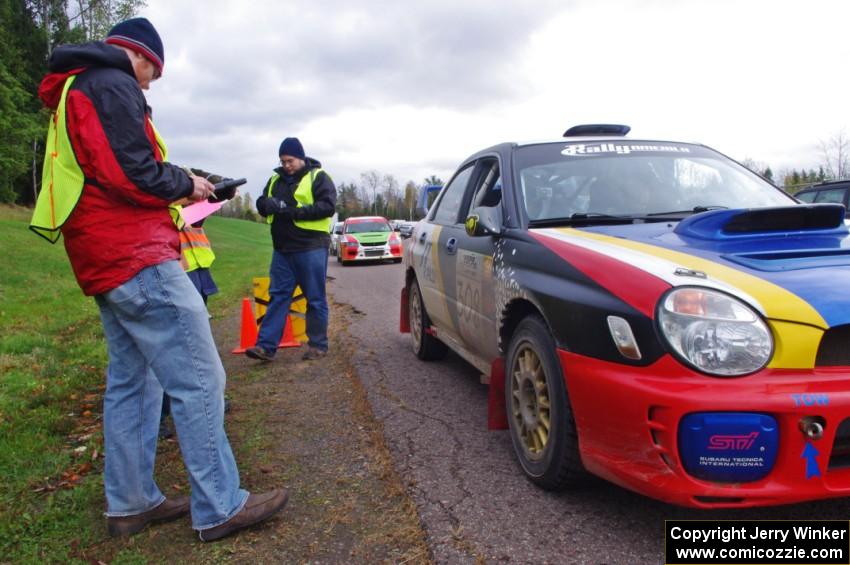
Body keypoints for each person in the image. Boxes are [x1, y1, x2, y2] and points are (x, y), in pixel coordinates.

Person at [29, 17, 287, 541]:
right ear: (139, 56)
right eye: (153, 73)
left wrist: (190, 186)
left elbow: (115, 167)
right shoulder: (111, 82)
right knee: (199, 380)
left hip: (104, 256)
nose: (148, 86)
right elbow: (134, 173)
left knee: (135, 383)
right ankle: (219, 504)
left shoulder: (79, 87)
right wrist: (187, 184)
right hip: (136, 255)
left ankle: (131, 503)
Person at [247, 138, 336, 362]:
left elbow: (327, 207)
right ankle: (265, 347)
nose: (287, 165)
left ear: (301, 158)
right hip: (282, 249)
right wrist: (265, 205)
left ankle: (317, 345)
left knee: (314, 298)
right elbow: (262, 202)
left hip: (310, 247)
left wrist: (292, 211)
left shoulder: (318, 177)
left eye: (291, 160)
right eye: (283, 161)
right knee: (278, 297)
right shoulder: (275, 179)